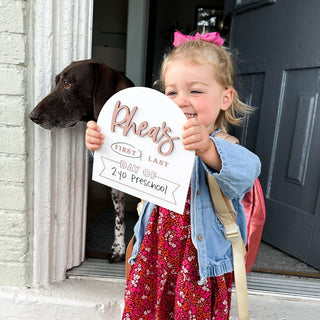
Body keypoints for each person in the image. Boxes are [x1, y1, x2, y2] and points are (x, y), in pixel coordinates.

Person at [85, 30, 261, 320]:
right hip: (156, 251)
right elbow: (128, 160)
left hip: (198, 263)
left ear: (225, 97)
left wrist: (207, 149)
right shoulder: (158, 138)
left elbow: (247, 170)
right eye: (172, 91)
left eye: (195, 91)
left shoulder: (222, 146)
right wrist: (102, 144)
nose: (181, 100)